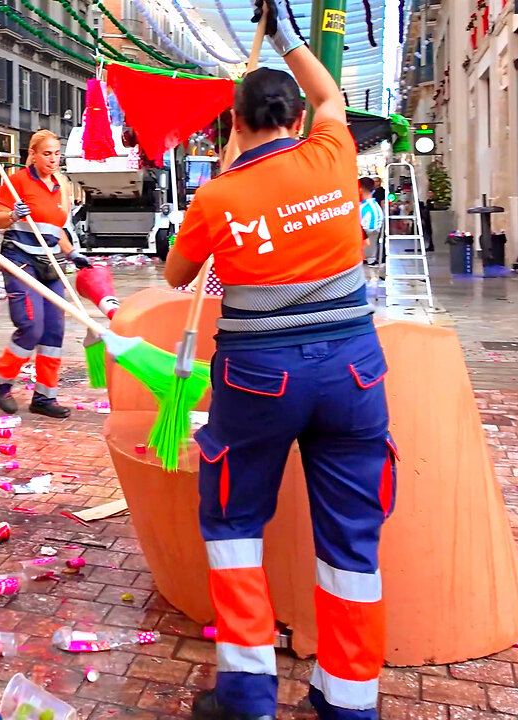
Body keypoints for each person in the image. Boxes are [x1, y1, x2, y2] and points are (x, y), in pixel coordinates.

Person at [163, 6, 393, 719]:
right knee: (352, 539)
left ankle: (248, 696)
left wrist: (230, 179)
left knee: (234, 526)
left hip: (258, 379)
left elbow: (177, 275)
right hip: (354, 374)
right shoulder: (333, 153)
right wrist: (288, 34)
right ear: (294, 119)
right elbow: (331, 98)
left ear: (234, 125)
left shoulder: (218, 196)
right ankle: (350, 701)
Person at [0, 130, 90, 419]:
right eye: (47, 153)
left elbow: (57, 231)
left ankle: (45, 396)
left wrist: (72, 254)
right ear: (32, 154)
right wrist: (14, 215)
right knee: (31, 325)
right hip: (21, 259)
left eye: (57, 153)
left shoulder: (62, 184)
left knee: (54, 330)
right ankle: (0, 378)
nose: (53, 159)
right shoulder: (17, 181)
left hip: (51, 262)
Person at [358, 177, 384, 265]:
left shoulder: (363, 209)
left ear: (360, 189)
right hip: (369, 256)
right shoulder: (375, 207)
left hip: (361, 257)